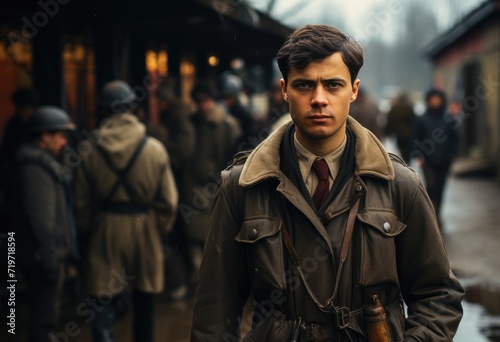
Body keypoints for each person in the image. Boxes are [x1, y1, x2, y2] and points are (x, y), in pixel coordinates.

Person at [191, 24, 464, 342]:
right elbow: (214, 312)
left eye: (333, 85)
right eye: (304, 85)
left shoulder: (399, 186)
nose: (319, 99)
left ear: (354, 90)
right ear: (284, 90)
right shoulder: (242, 188)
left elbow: (438, 296)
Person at [73, 80, 178, 342]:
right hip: (145, 227)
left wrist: (87, 231)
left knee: (102, 297)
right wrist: (159, 229)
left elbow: (80, 201)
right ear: (132, 107)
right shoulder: (154, 149)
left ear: (103, 110)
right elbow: (168, 201)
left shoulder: (88, 150)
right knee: (145, 298)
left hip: (106, 227)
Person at [12, 106, 78, 342]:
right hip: (44, 256)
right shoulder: (35, 168)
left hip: (44, 254)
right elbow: (41, 217)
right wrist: (50, 255)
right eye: (60, 136)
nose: (63, 143)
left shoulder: (41, 163)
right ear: (44, 137)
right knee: (44, 318)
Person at [183, 79, 241, 279]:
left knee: (217, 234)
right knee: (195, 236)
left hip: (216, 184)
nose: (202, 105)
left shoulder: (226, 125)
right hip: (194, 186)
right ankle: (200, 278)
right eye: (198, 101)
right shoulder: (193, 122)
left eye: (206, 100)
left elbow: (233, 156)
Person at [146, 80, 196, 301]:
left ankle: (181, 282)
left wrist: (160, 140)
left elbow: (184, 150)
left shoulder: (178, 117)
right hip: (178, 184)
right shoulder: (175, 116)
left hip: (181, 184)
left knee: (179, 237)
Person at [412, 88, 460, 226]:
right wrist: (418, 155)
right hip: (428, 160)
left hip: (444, 160)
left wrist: (452, 154)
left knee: (440, 188)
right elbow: (416, 138)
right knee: (431, 187)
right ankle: (431, 215)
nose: (435, 101)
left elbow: (455, 138)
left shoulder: (448, 118)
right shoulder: (422, 119)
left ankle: (437, 213)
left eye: (437, 98)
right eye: (433, 98)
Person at [385, 91, 416, 163]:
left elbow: (390, 121)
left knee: (401, 150)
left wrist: (387, 132)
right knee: (407, 152)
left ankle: (404, 163)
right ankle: (407, 163)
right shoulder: (409, 108)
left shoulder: (395, 108)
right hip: (409, 135)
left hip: (399, 135)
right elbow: (414, 121)